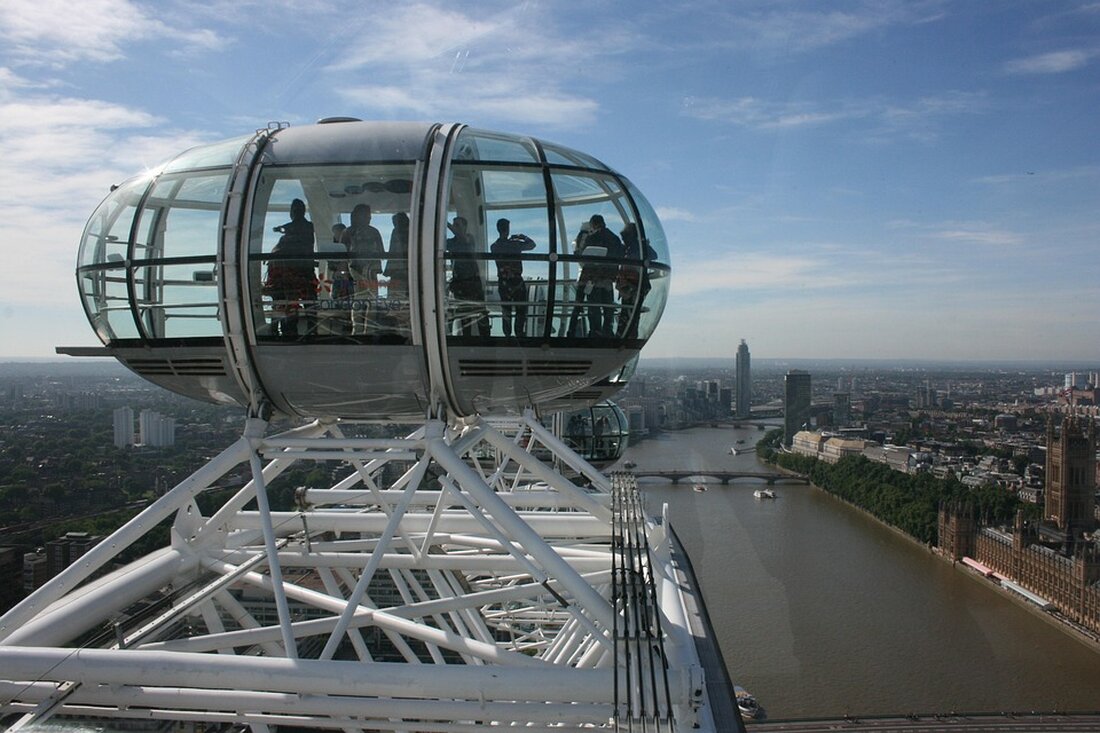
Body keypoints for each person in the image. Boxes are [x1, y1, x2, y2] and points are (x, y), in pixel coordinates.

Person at [263, 198, 316, 338]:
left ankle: (294, 330)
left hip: (297, 273)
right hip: (290, 272)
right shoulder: (300, 229)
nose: (295, 213)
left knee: (290, 300)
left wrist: (279, 229)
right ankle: (283, 328)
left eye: (296, 210)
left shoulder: (305, 227)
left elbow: (290, 227)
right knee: (284, 299)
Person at [571, 214, 622, 337]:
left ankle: (596, 331)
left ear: (593, 224)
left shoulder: (592, 238)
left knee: (594, 306)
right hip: (608, 278)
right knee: (608, 306)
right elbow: (620, 254)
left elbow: (583, 257)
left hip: (593, 277)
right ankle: (607, 330)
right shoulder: (615, 238)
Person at [490, 218, 536, 337]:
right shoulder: (515, 244)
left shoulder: (494, 246)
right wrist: (522, 236)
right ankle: (519, 334)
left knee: (506, 310)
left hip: (503, 281)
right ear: (508, 229)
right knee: (520, 310)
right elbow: (532, 245)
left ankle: (507, 335)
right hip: (516, 280)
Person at [343, 204, 384, 335]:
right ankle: (357, 331)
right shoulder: (349, 232)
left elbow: (381, 252)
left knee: (370, 302)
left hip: (370, 271)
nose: (369, 218)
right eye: (366, 215)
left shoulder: (374, 232)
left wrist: (375, 268)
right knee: (358, 302)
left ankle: (369, 331)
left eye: (369, 215)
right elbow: (341, 252)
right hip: (354, 271)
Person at [445, 216, 488, 336]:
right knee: (464, 315)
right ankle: (467, 338)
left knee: (481, 312)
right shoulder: (450, 242)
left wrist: (447, 224)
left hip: (473, 281)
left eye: (458, 225)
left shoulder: (469, 238)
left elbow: (463, 238)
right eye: (454, 225)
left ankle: (486, 340)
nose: (455, 228)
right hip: (460, 282)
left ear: (465, 227)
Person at [615, 222, 656, 339]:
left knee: (630, 313)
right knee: (629, 313)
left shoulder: (636, 247)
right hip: (630, 286)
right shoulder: (635, 247)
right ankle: (626, 335)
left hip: (634, 286)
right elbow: (653, 255)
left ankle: (627, 335)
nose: (623, 241)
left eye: (625, 238)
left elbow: (653, 255)